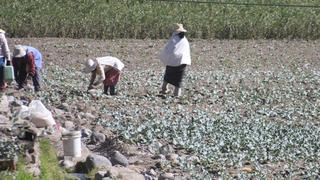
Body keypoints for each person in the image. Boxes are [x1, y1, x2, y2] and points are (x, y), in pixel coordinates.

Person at [159, 23, 191, 96]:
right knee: (178, 79)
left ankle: (164, 89)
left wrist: (166, 58)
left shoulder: (173, 39)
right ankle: (176, 94)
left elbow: (168, 49)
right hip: (182, 61)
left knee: (168, 75)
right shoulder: (185, 40)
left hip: (172, 61)